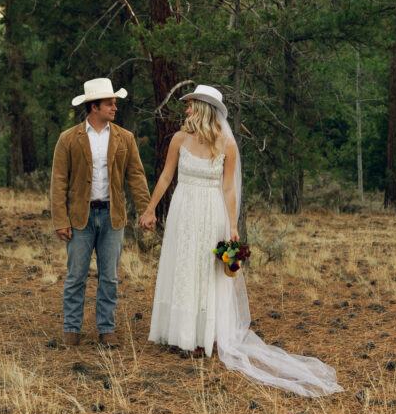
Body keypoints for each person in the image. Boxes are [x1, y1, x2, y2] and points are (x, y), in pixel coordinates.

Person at [139, 85, 343, 397]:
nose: (186, 109)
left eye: (190, 103)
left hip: (211, 212)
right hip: (183, 209)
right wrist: (151, 208)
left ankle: (202, 339)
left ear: (203, 108)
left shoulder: (226, 144)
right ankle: (181, 333)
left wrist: (232, 226)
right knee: (184, 267)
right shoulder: (179, 139)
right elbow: (166, 176)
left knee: (207, 272)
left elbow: (229, 189)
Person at [51, 77, 152, 349]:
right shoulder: (68, 139)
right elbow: (58, 181)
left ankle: (106, 329)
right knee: (76, 276)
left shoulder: (125, 138)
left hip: (112, 216)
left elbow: (136, 176)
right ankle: (71, 329)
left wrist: (146, 209)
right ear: (93, 106)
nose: (115, 108)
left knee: (109, 277)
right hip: (79, 219)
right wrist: (61, 220)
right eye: (109, 103)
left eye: (115, 103)